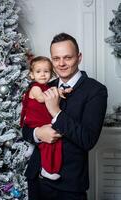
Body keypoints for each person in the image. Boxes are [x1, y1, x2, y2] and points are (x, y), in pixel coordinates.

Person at [22, 33, 108, 200]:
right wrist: (38, 134)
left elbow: (88, 139)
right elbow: (26, 127)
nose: (61, 64)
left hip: (69, 186)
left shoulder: (96, 90)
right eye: (56, 58)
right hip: (36, 179)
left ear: (79, 57)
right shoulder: (44, 86)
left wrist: (56, 112)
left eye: (67, 57)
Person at [20, 56, 72, 181]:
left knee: (51, 141)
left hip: (42, 119)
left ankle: (34, 150)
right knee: (47, 145)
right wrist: (57, 92)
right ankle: (46, 169)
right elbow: (41, 98)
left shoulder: (47, 87)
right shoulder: (36, 88)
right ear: (32, 75)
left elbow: (51, 94)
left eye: (46, 71)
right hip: (35, 119)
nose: (43, 75)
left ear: (51, 73)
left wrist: (60, 91)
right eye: (38, 72)